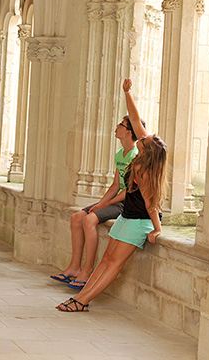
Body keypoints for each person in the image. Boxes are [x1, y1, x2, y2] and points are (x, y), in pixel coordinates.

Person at [57, 78, 167, 312]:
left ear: (147, 150)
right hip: (127, 217)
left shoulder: (144, 170)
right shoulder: (142, 156)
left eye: (143, 140)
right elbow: (135, 120)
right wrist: (128, 93)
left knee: (114, 264)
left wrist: (157, 229)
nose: (140, 137)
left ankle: (83, 301)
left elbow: (150, 203)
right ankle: (82, 297)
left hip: (140, 222)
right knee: (105, 259)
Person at [50, 115, 141, 289]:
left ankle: (87, 271)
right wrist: (100, 203)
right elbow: (115, 184)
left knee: (89, 220)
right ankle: (74, 267)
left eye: (121, 125)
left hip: (127, 201)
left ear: (129, 132)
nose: (116, 127)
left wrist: (105, 205)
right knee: (77, 217)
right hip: (116, 198)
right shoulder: (120, 154)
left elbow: (128, 190)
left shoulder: (136, 155)